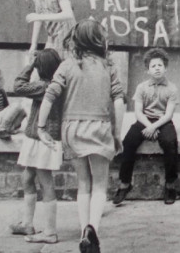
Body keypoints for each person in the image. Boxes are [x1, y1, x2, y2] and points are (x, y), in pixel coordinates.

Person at [37, 20, 125, 253]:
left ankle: (82, 234)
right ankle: (91, 229)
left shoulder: (66, 65)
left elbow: (50, 96)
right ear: (99, 39)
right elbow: (119, 101)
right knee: (100, 186)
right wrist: (117, 134)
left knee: (83, 184)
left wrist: (41, 126)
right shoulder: (108, 67)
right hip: (99, 128)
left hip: (72, 128)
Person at [113, 48, 180, 206]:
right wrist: (149, 126)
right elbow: (138, 112)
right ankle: (124, 183)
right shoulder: (141, 87)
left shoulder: (172, 88)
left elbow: (168, 115)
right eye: (153, 66)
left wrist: (154, 127)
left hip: (163, 120)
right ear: (147, 70)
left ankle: (170, 185)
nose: (157, 68)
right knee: (129, 141)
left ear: (166, 68)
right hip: (144, 120)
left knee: (170, 142)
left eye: (160, 65)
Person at [11, 49, 64, 244]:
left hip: (44, 139)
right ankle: (27, 223)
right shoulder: (54, 84)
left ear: (40, 68)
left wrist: (30, 64)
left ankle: (50, 232)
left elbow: (18, 86)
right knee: (28, 177)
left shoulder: (44, 86)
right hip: (35, 138)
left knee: (45, 181)